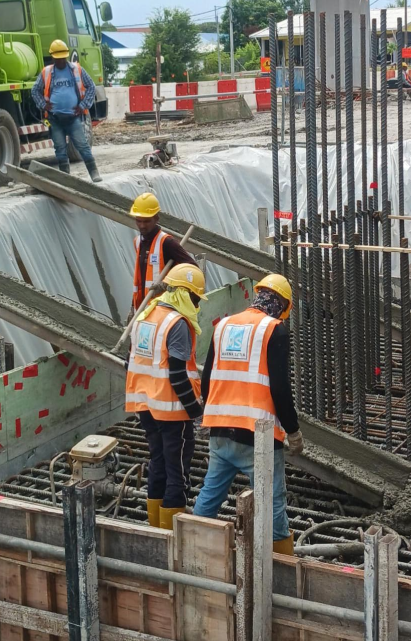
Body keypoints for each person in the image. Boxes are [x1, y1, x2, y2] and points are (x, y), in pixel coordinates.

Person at [193, 274, 302, 555]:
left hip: (220, 430)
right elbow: (279, 387)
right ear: (283, 306)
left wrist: (213, 415)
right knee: (272, 504)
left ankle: (191, 548)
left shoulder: (224, 325)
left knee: (209, 496)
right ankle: (281, 567)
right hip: (259, 437)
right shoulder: (274, 330)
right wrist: (293, 430)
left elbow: (207, 379)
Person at [125, 262, 206, 529]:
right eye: (195, 298)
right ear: (185, 293)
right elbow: (178, 375)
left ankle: (155, 529)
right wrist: (195, 411)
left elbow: (131, 362)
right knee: (177, 473)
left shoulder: (145, 315)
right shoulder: (177, 323)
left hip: (146, 406)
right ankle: (171, 535)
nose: (197, 305)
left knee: (157, 463)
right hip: (172, 412)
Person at [30, 39, 101, 181]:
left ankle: (94, 173)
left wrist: (83, 106)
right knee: (60, 148)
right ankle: (66, 177)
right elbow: (35, 90)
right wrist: (43, 105)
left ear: (66, 56)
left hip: (73, 117)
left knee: (82, 145)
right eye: (58, 58)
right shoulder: (47, 72)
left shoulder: (76, 69)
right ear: (53, 58)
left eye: (63, 58)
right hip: (54, 118)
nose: (61, 61)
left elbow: (91, 87)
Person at [128, 192, 196, 315]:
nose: (142, 226)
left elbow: (192, 269)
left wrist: (166, 284)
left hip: (162, 310)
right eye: (139, 221)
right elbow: (139, 279)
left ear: (156, 219)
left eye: (147, 221)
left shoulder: (167, 243)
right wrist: (133, 306)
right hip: (142, 310)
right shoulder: (138, 242)